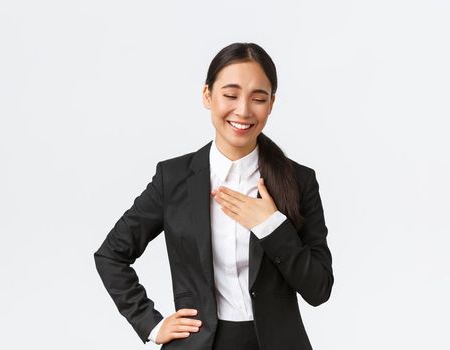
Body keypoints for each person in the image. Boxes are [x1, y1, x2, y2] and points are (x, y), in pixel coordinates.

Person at [94, 42, 333, 350]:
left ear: (271, 104)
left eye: (258, 98)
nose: (243, 110)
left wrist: (271, 227)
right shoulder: (174, 178)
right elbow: (111, 255)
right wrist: (151, 324)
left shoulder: (299, 181)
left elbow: (319, 288)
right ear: (207, 95)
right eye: (230, 95)